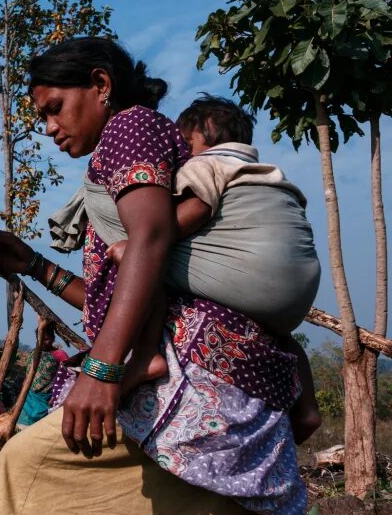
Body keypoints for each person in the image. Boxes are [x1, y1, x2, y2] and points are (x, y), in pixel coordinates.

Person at [0, 37, 301, 515]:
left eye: (53, 108)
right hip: (223, 363)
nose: (47, 127)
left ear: (100, 86)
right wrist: (34, 265)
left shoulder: (130, 127)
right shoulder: (128, 148)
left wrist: (102, 368)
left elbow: (149, 239)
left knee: (28, 464)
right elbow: (117, 290)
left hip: (193, 366)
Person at [106, 94, 322, 444]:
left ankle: (147, 355)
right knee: (282, 337)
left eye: (185, 142)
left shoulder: (208, 164)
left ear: (203, 138)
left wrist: (141, 241)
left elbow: (197, 210)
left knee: (144, 260)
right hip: (298, 291)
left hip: (251, 276)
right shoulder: (270, 175)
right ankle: (307, 409)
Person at [17, 330, 70, 428]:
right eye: (39, 339)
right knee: (22, 428)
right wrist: (20, 397)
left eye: (46, 339)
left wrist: (56, 395)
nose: (42, 342)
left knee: (42, 428)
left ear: (53, 338)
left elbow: (67, 377)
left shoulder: (60, 354)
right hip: (29, 397)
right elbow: (28, 375)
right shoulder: (34, 353)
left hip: (47, 398)